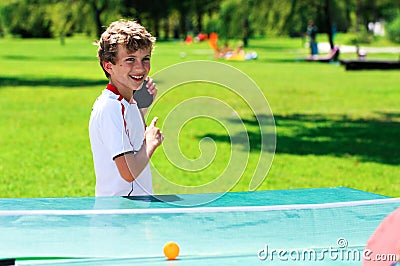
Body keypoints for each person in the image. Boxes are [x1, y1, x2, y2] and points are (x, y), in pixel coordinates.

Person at [89, 19, 164, 196]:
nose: (140, 68)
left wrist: (142, 108)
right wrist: (150, 142)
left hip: (133, 212)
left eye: (145, 59)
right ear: (109, 65)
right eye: (130, 59)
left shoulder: (125, 103)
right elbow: (129, 172)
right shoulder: (110, 108)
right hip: (120, 216)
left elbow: (133, 141)